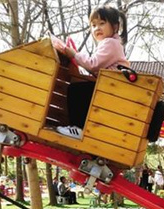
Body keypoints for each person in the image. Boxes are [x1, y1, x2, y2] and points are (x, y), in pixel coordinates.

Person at [53, 6, 130, 139]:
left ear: (115, 27)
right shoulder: (111, 43)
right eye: (93, 25)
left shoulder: (110, 43)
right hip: (111, 89)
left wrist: (74, 54)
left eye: (102, 23)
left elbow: (92, 64)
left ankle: (78, 128)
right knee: (83, 89)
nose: (97, 28)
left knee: (76, 90)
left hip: (111, 90)